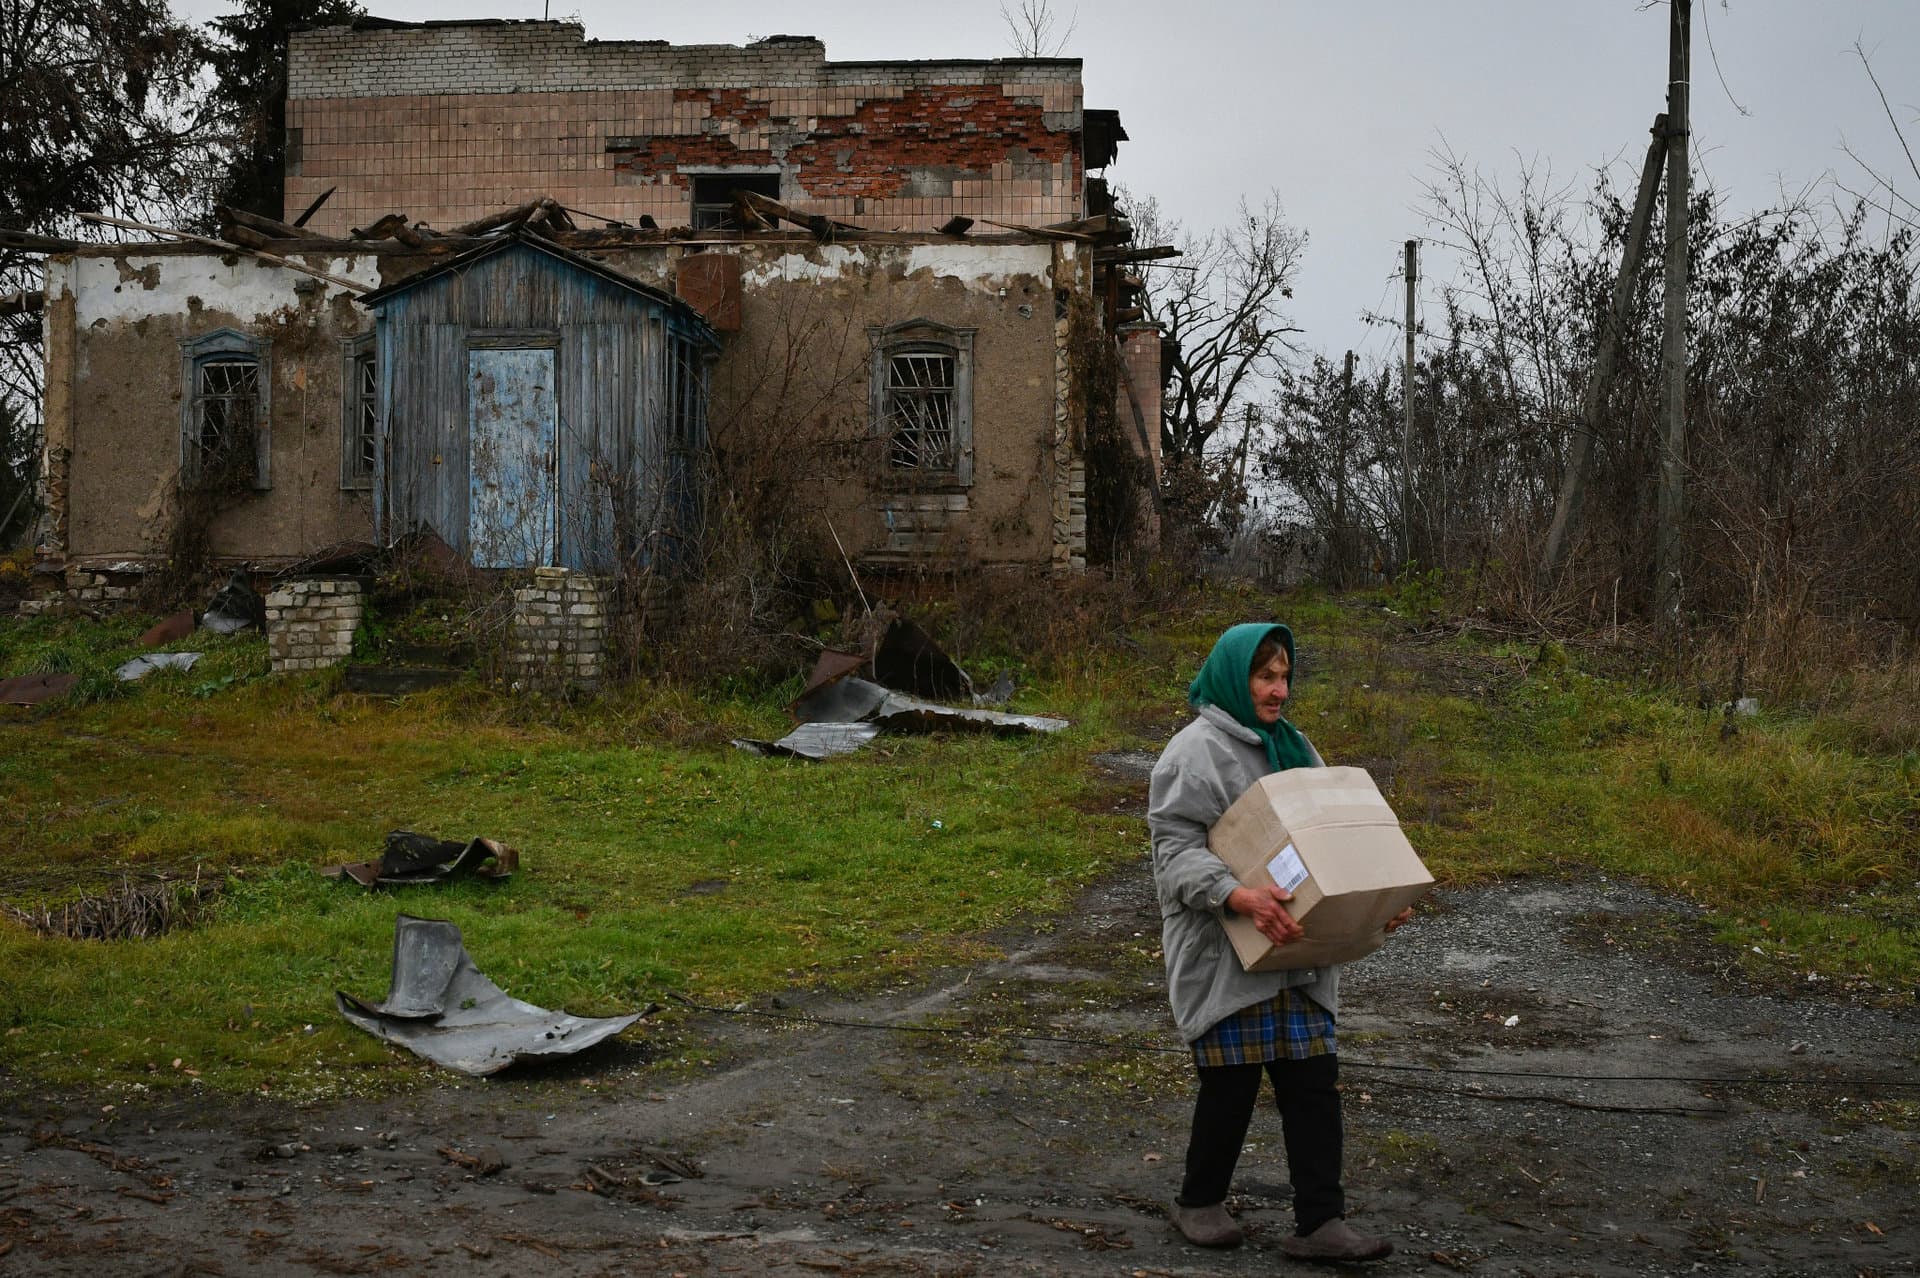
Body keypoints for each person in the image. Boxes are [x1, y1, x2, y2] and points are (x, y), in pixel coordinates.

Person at [1148, 621, 1410, 1262]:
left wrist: (1374, 900)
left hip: (1300, 952)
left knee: (1313, 1086)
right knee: (1230, 1086)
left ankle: (1321, 1221)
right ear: (1237, 678)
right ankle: (1200, 1202)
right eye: (1266, 676)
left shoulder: (1295, 747)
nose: (1279, 690)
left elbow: (1334, 839)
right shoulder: (1193, 754)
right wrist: (1237, 895)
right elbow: (1173, 854)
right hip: (1230, 955)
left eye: (1285, 676)